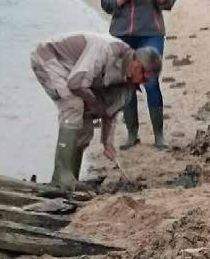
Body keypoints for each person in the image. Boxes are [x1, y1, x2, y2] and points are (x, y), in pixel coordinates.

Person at [30, 33, 162, 190]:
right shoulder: (106, 50)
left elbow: (110, 111)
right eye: (144, 78)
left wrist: (107, 142)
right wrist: (94, 104)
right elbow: (76, 83)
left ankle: (71, 179)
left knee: (85, 128)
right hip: (49, 58)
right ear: (136, 65)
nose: (144, 83)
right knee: (74, 104)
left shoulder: (128, 82)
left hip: (74, 74)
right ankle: (61, 176)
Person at [101, 0, 178, 150]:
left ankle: (159, 136)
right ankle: (132, 134)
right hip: (121, 35)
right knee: (128, 83)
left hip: (150, 33)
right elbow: (106, 4)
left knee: (151, 81)